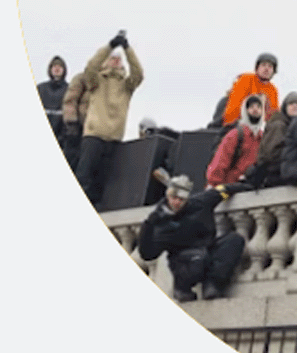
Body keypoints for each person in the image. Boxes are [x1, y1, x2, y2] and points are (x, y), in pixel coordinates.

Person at [137, 174, 250, 303]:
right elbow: (147, 254)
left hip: (207, 250)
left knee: (234, 240)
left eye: (181, 199)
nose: (177, 203)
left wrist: (246, 187)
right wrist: (148, 227)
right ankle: (182, 289)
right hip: (184, 262)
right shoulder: (160, 223)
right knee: (197, 258)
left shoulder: (201, 202)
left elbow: (222, 191)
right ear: (168, 196)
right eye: (174, 198)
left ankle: (212, 284)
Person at [73, 32, 144, 204]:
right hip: (94, 135)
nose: (116, 60)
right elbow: (90, 67)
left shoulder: (127, 85)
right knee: (83, 178)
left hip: (114, 137)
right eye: (112, 58)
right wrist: (110, 46)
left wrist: (127, 49)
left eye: (118, 59)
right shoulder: (96, 81)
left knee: (103, 185)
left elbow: (138, 73)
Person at [206, 94, 265, 186]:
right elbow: (220, 161)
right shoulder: (236, 134)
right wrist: (215, 186)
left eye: (258, 107)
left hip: (250, 189)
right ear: (245, 111)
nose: (255, 109)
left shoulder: (263, 138)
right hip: (230, 189)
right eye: (251, 107)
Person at [218, 52, 280, 127]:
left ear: (273, 71)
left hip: (260, 127)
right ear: (257, 68)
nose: (266, 69)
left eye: (270, 66)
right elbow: (235, 104)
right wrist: (232, 124)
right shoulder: (246, 80)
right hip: (239, 124)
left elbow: (274, 114)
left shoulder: (273, 90)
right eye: (263, 65)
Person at [37, 56, 69, 139]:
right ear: (50, 69)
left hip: (62, 135)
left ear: (64, 70)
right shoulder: (40, 88)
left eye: (60, 66)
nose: (57, 69)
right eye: (54, 66)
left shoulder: (70, 89)